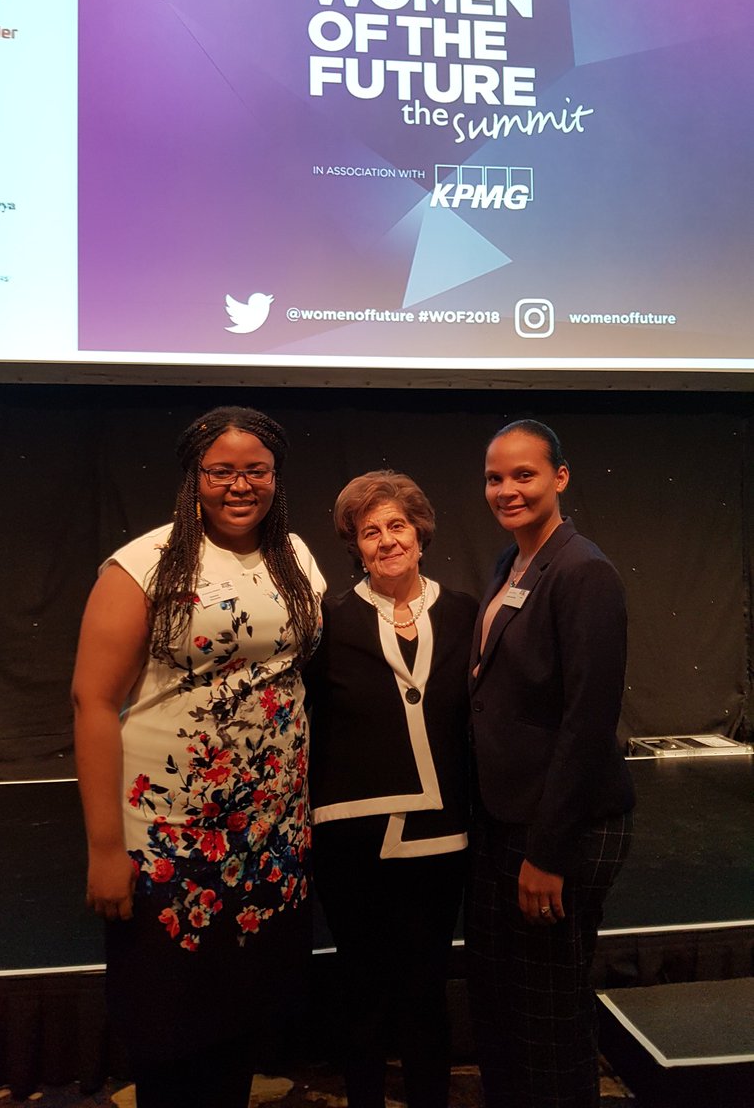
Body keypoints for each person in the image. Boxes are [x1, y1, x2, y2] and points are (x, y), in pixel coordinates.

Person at [71, 406, 326, 1108]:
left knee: (240, 1015)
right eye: (222, 471)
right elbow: (93, 702)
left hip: (268, 833)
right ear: (195, 478)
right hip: (171, 835)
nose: (240, 485)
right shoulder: (143, 565)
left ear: (275, 477)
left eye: (256, 471)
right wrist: (104, 849)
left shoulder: (294, 556)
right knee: (171, 1027)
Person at [466, 419, 635, 1108]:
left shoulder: (582, 571)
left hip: (562, 829)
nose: (507, 490)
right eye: (494, 478)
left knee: (549, 1018)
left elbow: (587, 723)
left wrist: (548, 852)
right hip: (510, 819)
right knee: (506, 1004)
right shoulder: (512, 562)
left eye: (524, 475)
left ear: (560, 477)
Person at [305, 472, 477, 1108]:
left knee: (425, 987)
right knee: (363, 988)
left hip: (439, 833)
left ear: (420, 534)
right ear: (355, 546)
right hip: (350, 834)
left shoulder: (465, 612)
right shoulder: (327, 621)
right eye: (369, 532)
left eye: (396, 526)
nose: (386, 541)